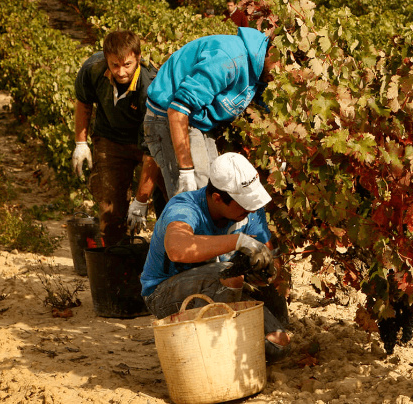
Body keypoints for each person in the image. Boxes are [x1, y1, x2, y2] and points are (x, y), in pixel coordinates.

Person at [139, 152, 290, 362]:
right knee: (229, 274)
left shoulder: (250, 211)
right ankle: (214, 353)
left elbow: (269, 252)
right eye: (244, 203)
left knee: (277, 343)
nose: (251, 208)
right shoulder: (184, 208)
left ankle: (226, 342)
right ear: (217, 198)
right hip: (165, 294)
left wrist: (269, 271)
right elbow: (177, 248)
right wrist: (238, 241)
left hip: (222, 288)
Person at [143, 27, 276, 200]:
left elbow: (263, 113)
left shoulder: (261, 72)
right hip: (169, 117)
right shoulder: (229, 59)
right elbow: (176, 110)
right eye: (282, 65)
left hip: (198, 120)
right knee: (194, 196)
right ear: (272, 51)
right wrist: (186, 171)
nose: (281, 74)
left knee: (213, 189)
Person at [72, 29, 162, 245]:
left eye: (127, 65)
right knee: (110, 208)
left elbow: (152, 151)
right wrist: (81, 142)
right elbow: (84, 102)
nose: (121, 72)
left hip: (147, 142)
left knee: (169, 198)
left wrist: (141, 201)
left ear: (138, 59)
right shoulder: (92, 69)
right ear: (106, 59)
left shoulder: (151, 87)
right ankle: (115, 255)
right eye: (114, 65)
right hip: (110, 137)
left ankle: (167, 250)